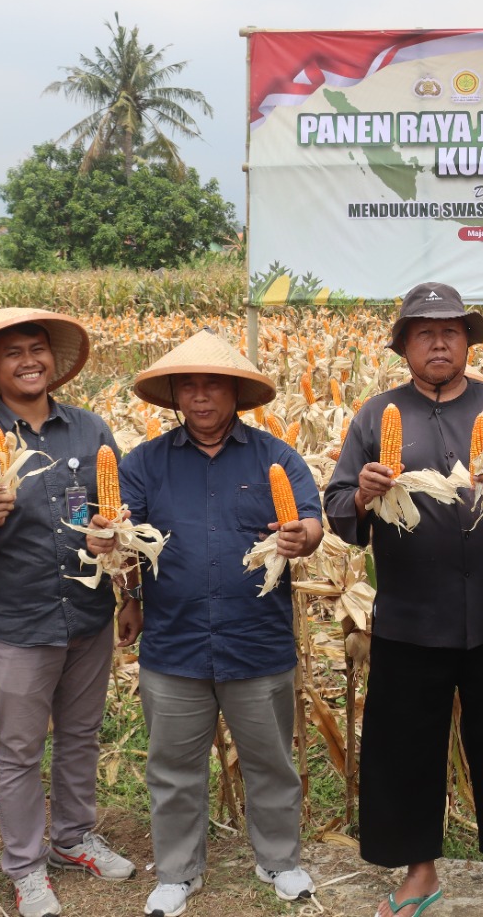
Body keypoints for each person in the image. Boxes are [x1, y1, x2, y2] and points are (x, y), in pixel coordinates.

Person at [324, 283, 483, 917]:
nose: (438, 341)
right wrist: (360, 495)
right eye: (423, 332)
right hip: (409, 614)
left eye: (451, 331)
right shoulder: (375, 417)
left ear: (468, 341)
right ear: (404, 346)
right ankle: (419, 869)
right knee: (406, 744)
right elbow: (336, 504)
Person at [87, 330, 322, 916]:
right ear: (173, 396)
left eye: (212, 384)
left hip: (256, 640)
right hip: (175, 641)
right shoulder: (143, 463)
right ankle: (177, 871)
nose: (199, 397)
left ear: (236, 393)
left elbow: (312, 523)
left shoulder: (276, 456)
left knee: (271, 760)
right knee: (172, 767)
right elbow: (125, 544)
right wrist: (116, 570)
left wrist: (301, 537)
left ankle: (280, 859)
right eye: (187, 386)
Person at [0, 308, 135, 917]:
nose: (29, 361)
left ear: (53, 359)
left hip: (87, 613)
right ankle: (24, 867)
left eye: (37, 349)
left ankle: (73, 837)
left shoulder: (90, 431)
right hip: (17, 623)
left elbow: (117, 519)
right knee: (20, 749)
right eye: (14, 353)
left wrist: (127, 588)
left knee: (80, 734)